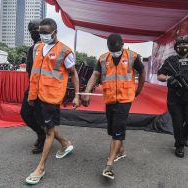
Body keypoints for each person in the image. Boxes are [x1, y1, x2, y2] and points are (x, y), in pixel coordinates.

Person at [81, 33, 146, 180]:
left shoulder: (132, 56)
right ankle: (121, 150)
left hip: (125, 98)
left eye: (117, 49)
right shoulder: (103, 58)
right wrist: (86, 92)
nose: (114, 51)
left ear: (122, 45)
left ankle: (109, 165)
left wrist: (139, 89)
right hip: (109, 98)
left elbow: (142, 71)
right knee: (112, 129)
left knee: (118, 128)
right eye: (111, 49)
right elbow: (95, 75)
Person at [25, 18, 80, 185]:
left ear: (55, 32)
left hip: (51, 96)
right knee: (46, 126)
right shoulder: (37, 47)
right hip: (36, 94)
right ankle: (65, 143)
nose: (42, 36)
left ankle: (40, 168)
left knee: (49, 131)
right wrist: (31, 95)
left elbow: (74, 73)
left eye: (46, 33)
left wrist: (77, 95)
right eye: (40, 33)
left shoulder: (65, 51)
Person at [157, 36, 188, 158]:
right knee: (177, 123)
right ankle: (179, 145)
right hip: (175, 97)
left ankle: (184, 136)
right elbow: (160, 75)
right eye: (180, 45)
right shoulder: (170, 61)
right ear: (176, 48)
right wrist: (170, 78)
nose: (183, 47)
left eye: (185, 45)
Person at [19, 19, 46, 154]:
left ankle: (44, 137)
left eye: (36, 29)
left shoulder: (43, 47)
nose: (34, 32)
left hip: (41, 86)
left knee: (36, 114)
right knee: (26, 113)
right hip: (32, 85)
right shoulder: (32, 47)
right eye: (31, 30)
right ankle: (42, 135)